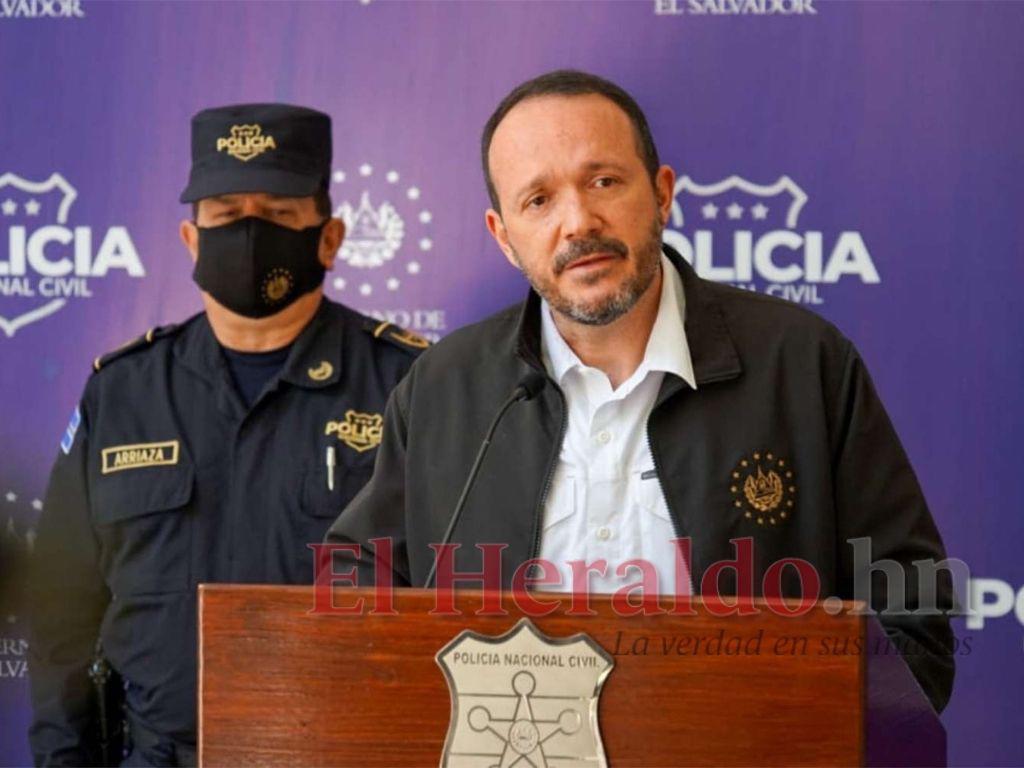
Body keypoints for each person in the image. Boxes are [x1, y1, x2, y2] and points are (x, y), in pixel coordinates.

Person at [325, 71, 955, 712]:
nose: (578, 222)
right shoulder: (444, 387)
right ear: (503, 236)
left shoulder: (802, 363)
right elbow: (357, 588)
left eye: (603, 181)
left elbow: (913, 617)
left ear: (661, 194)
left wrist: (791, 731)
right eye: (538, 201)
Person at [28, 103, 425, 766]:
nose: (248, 234)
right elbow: (61, 617)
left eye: (277, 215)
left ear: (329, 239)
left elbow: (456, 599)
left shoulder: (408, 386)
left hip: (342, 754)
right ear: (192, 239)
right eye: (226, 214)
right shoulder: (122, 393)